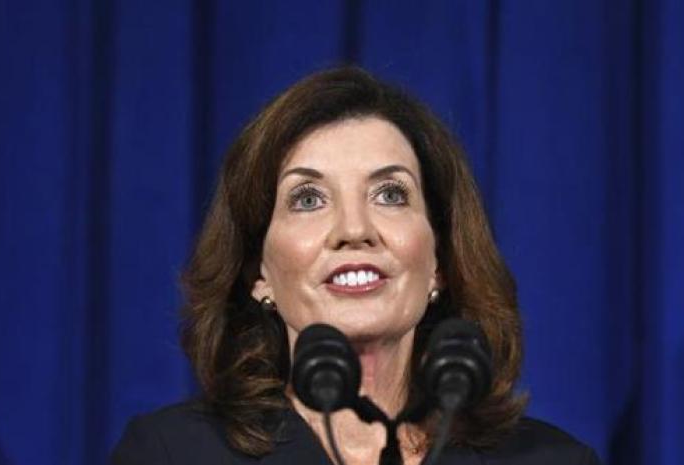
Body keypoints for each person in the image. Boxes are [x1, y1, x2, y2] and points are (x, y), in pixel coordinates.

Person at [111, 67, 599, 465]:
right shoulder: (170, 454)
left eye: (390, 194)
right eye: (308, 199)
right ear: (258, 273)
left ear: (440, 262)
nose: (354, 228)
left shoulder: (553, 460)